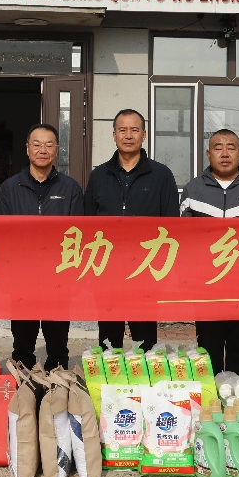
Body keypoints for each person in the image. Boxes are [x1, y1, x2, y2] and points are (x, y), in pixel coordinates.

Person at [179, 129, 239, 380]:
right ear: (208, 153)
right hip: (206, 284)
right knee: (208, 347)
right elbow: (183, 235)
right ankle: (210, 397)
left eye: (231, 147)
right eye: (218, 147)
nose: (224, 153)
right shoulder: (193, 190)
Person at [84, 109, 179, 352]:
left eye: (134, 130)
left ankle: (144, 375)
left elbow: (172, 225)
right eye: (123, 130)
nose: (128, 135)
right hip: (107, 269)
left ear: (144, 135)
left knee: (145, 340)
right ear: (114, 134)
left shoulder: (161, 175)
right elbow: (87, 224)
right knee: (108, 340)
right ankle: (110, 375)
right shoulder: (99, 176)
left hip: (146, 270)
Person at [0, 122, 85, 370]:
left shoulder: (70, 188)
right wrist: (4, 275)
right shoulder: (10, 187)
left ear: (57, 150)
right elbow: (0, 235)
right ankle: (24, 383)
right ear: (27, 149)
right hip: (21, 277)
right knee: (22, 343)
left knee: (58, 344)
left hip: (59, 277)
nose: (42, 150)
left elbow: (79, 235)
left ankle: (58, 384)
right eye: (36, 144)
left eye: (48, 145)